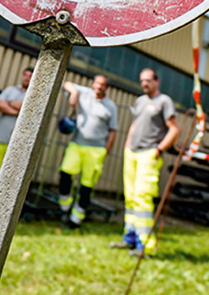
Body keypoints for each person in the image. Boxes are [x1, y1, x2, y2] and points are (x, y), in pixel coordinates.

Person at [113, 69, 179, 257]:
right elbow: (135, 124)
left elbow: (174, 129)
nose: (145, 84)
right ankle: (129, 238)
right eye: (142, 80)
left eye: (148, 80)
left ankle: (145, 245)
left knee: (142, 197)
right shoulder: (140, 101)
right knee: (131, 197)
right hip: (132, 152)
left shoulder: (164, 101)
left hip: (149, 153)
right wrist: (127, 145)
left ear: (157, 81)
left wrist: (159, 150)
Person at [57, 75, 117, 228]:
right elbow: (67, 83)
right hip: (77, 144)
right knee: (65, 174)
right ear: (93, 84)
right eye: (96, 83)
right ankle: (64, 209)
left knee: (86, 185)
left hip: (96, 150)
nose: (98, 87)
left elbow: (113, 130)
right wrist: (74, 93)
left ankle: (76, 219)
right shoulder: (84, 93)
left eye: (102, 85)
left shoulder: (110, 106)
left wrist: (107, 149)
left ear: (107, 88)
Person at [0, 67, 33, 219]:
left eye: (30, 76)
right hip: (0, 139)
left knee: (11, 178)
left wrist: (10, 104)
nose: (27, 78)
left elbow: (29, 108)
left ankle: (0, 213)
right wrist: (18, 109)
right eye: (25, 75)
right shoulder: (10, 89)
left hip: (18, 145)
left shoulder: (35, 95)